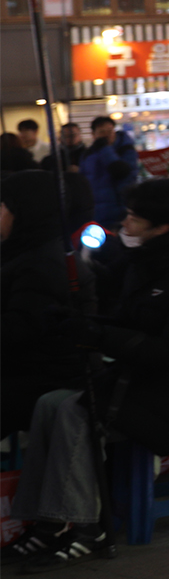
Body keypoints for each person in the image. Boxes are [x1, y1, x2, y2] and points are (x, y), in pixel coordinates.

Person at [4, 178, 169, 568]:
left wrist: (100, 336)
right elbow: (129, 322)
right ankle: (45, 523)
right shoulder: (148, 262)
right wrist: (80, 322)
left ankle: (87, 526)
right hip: (138, 376)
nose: (125, 224)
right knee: (50, 403)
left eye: (134, 218)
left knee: (77, 413)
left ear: (162, 227)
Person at [2, 171, 97, 437]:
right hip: (22, 370)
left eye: (1, 206)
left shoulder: (45, 264)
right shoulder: (24, 250)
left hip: (42, 379)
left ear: (25, 211)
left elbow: (17, 330)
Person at [79, 116, 137, 228]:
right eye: (102, 132)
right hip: (96, 213)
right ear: (93, 134)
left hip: (120, 212)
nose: (107, 135)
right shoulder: (88, 154)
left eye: (110, 131)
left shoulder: (125, 149)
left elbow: (122, 173)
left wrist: (104, 149)